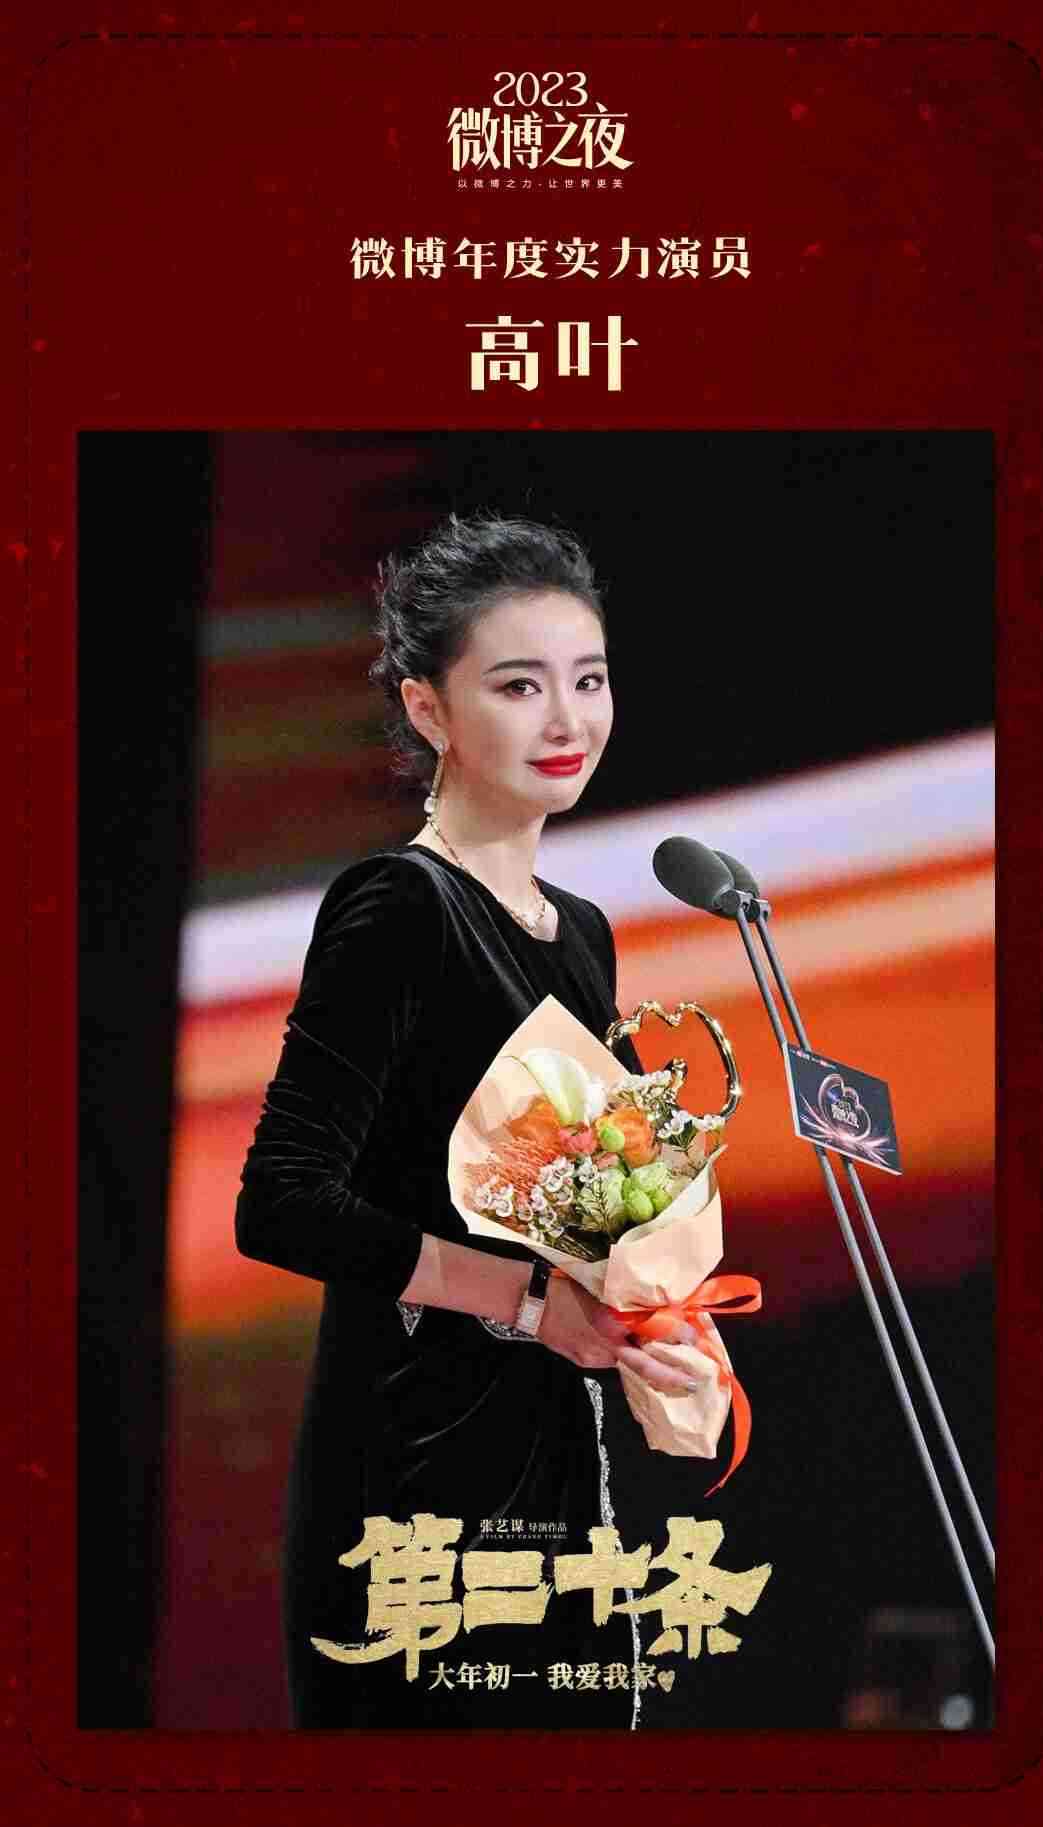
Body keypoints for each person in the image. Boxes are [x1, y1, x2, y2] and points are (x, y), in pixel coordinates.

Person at [234, 512, 704, 1730]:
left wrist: (651, 1310)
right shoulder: (398, 908)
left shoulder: (580, 932)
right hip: (412, 1477)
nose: (567, 719)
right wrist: (534, 1305)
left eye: (589, 679)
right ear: (428, 709)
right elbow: (281, 1204)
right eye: (518, 685)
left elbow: (589, 1197)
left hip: (555, 1462)